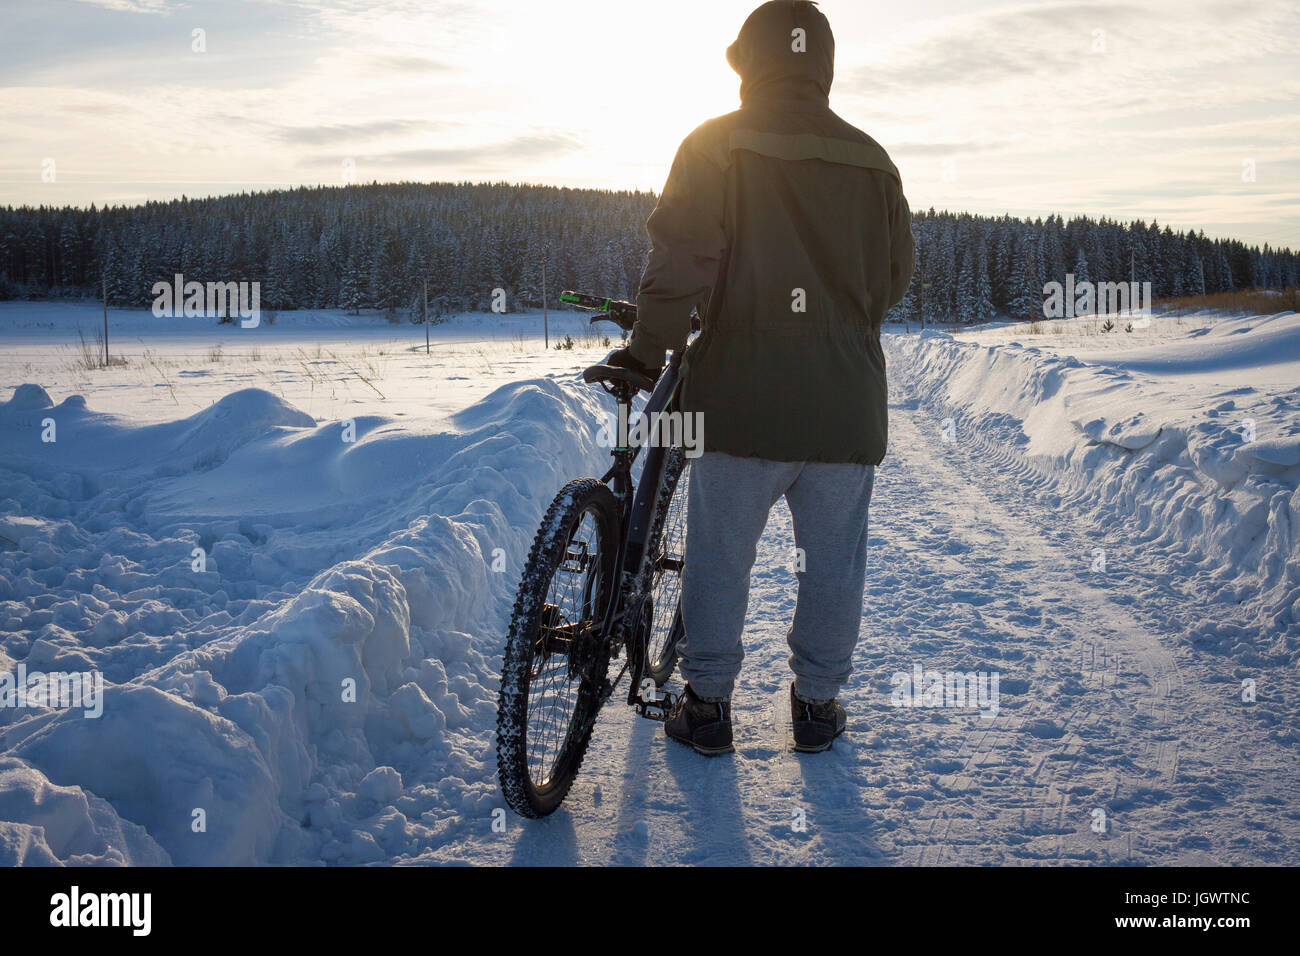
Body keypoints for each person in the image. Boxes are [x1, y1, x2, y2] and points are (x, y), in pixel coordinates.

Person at [607, 0, 914, 755]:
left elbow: (681, 258)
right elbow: (895, 275)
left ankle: (707, 707)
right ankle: (816, 708)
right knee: (832, 567)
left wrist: (649, 352)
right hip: (845, 411)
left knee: (720, 559)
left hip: (741, 401)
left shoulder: (717, 143)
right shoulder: (873, 159)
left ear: (750, 62)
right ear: (823, 63)